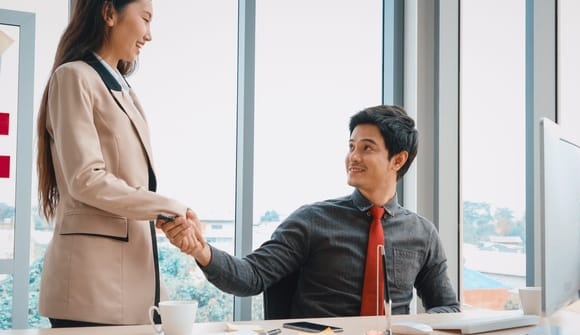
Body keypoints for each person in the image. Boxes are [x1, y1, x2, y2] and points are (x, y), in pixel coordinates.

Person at [161, 105, 460, 317]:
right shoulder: (313, 220)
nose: (352, 157)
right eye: (351, 146)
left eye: (366, 148)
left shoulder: (422, 233)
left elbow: (446, 307)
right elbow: (250, 277)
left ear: (398, 160)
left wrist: (415, 331)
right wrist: (201, 250)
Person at [36, 0, 198, 327]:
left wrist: (163, 213)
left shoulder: (124, 89)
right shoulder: (74, 77)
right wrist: (167, 207)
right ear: (109, 13)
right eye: (145, 19)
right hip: (91, 289)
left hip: (129, 284)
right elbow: (86, 179)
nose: (149, 35)